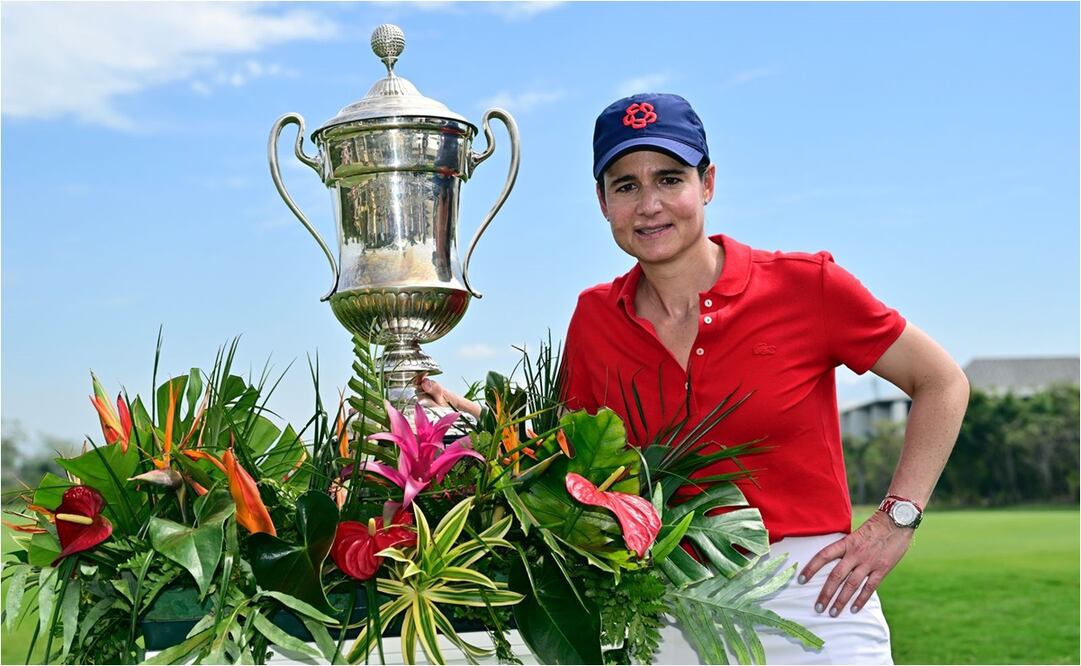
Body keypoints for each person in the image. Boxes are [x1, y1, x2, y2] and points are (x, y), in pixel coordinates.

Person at [418, 93, 970, 664]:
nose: (650, 204)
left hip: (812, 597)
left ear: (706, 183)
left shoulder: (810, 286)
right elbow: (569, 458)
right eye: (626, 185)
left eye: (669, 178)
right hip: (665, 606)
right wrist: (475, 424)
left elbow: (943, 383)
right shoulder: (595, 316)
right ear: (602, 202)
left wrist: (896, 520)